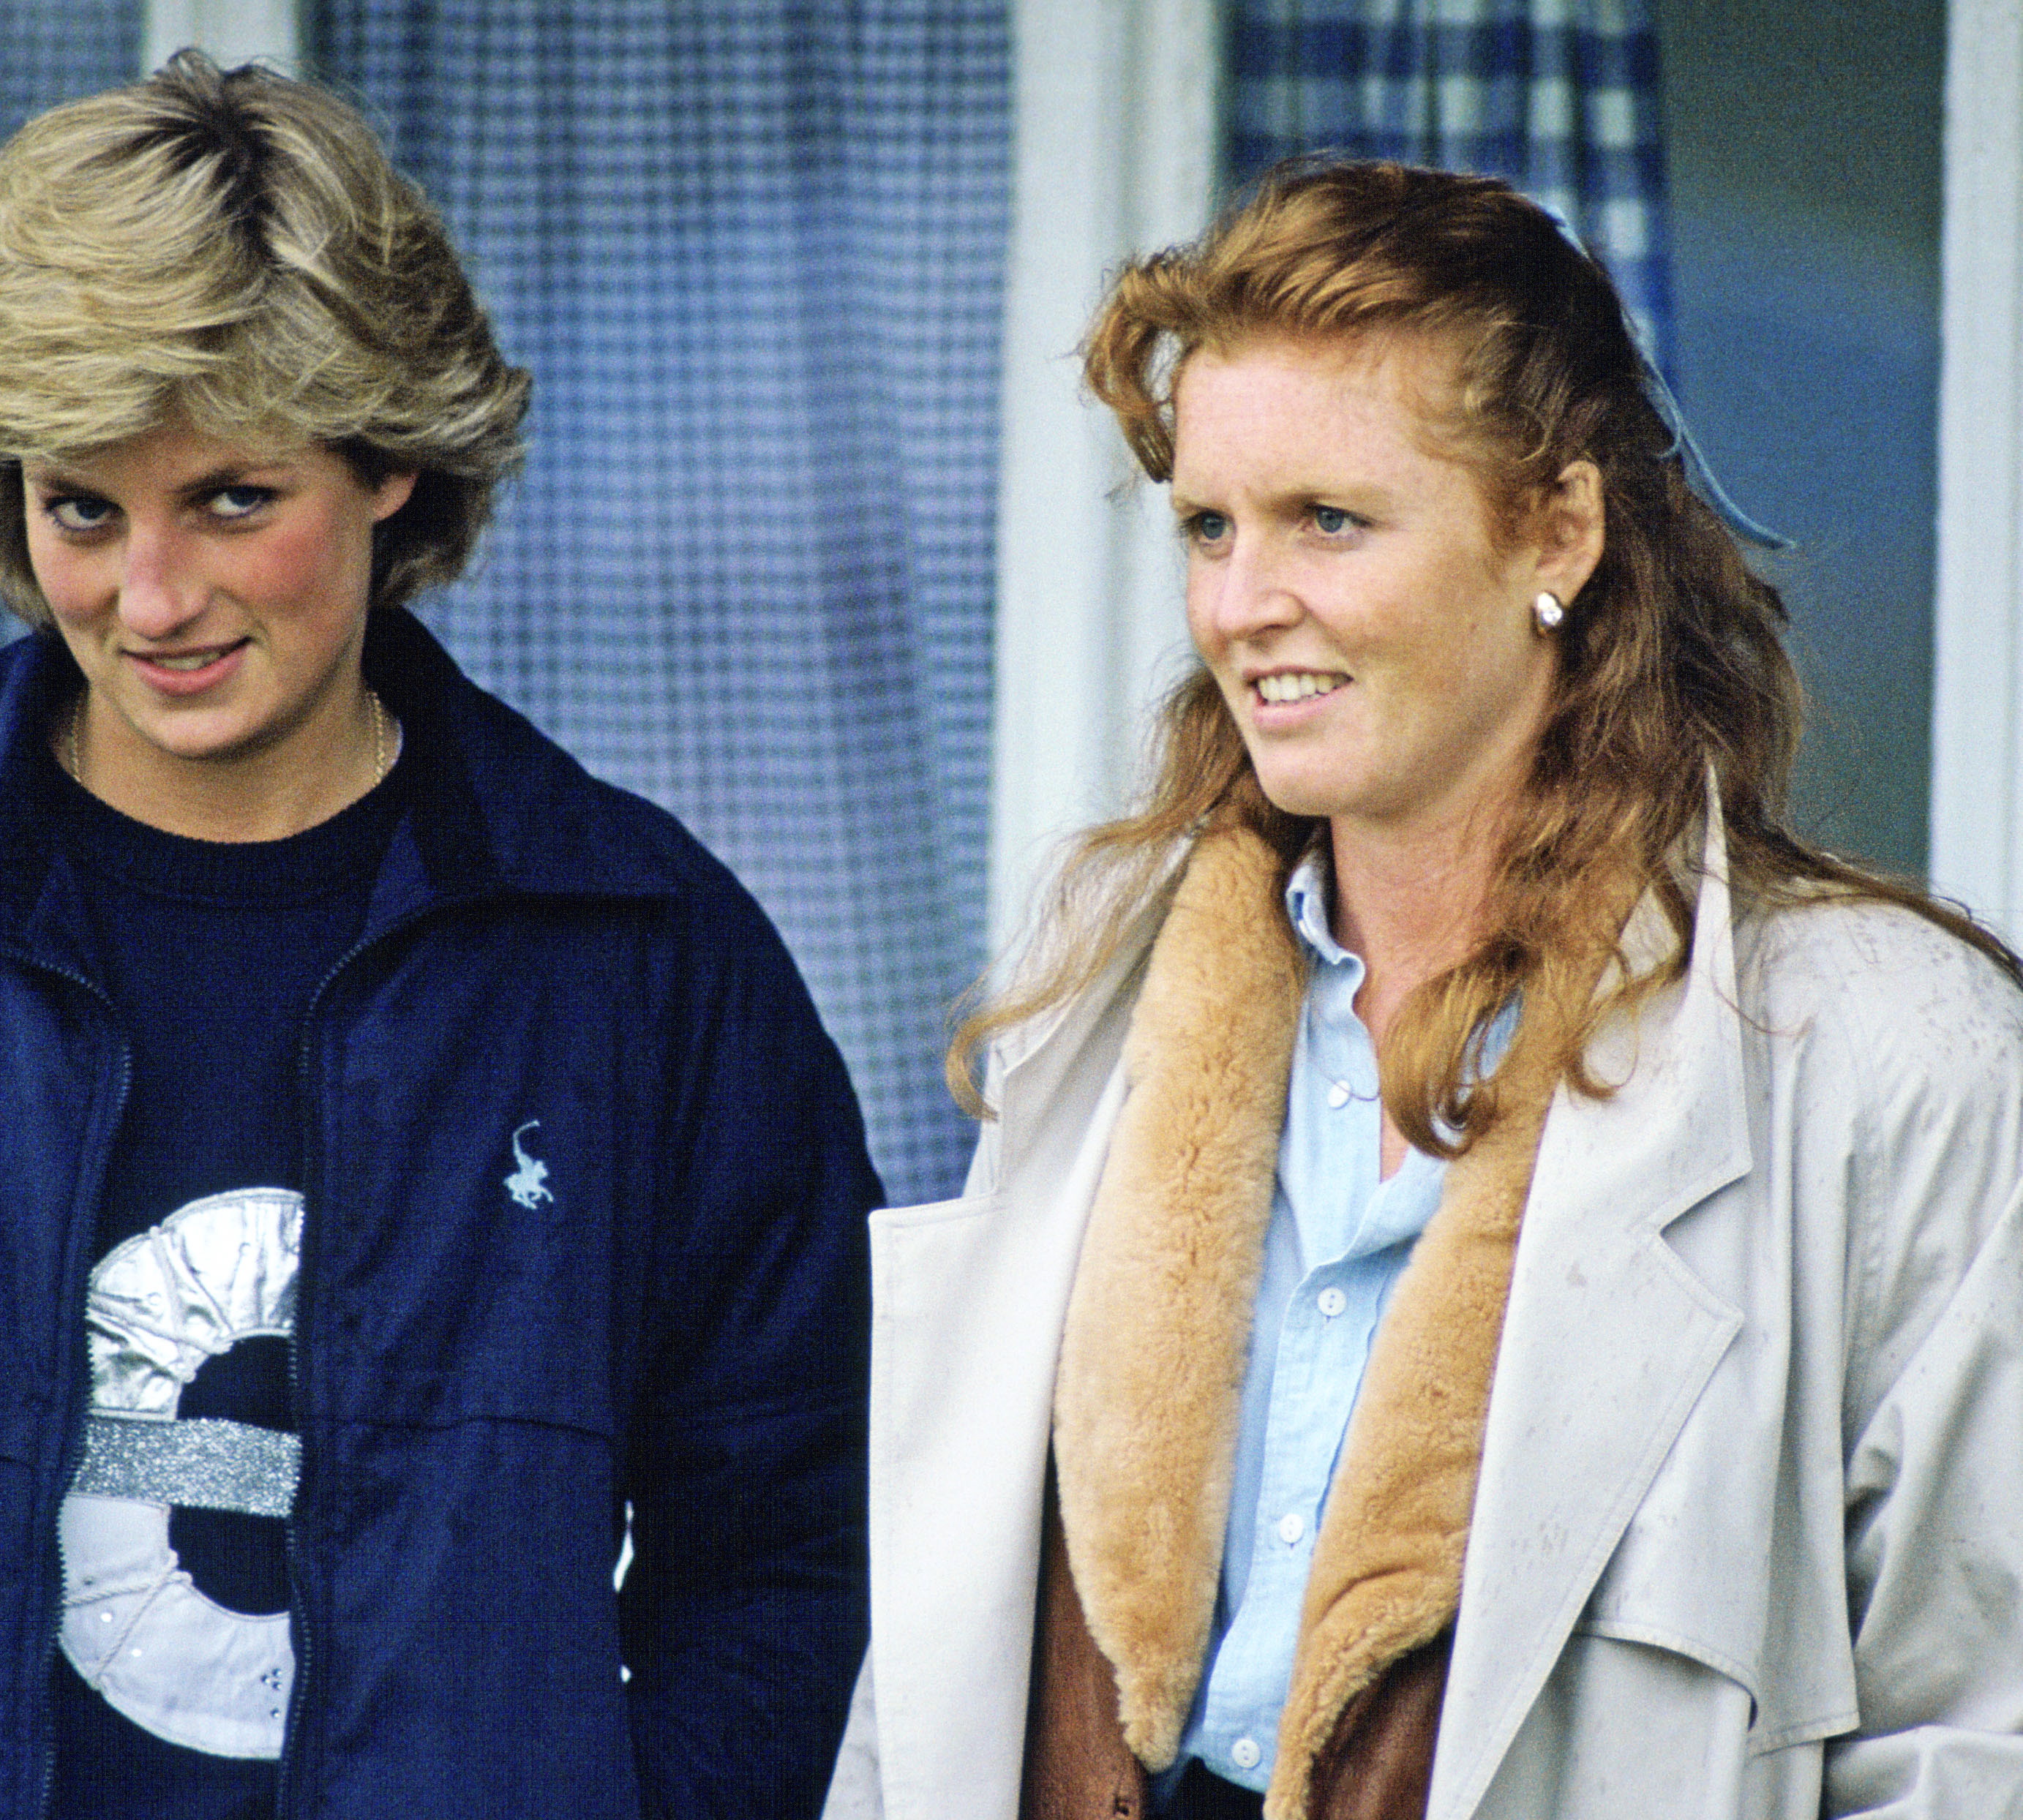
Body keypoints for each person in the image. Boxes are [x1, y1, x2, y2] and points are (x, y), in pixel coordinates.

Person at [0, 53, 874, 1820]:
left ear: (390, 466)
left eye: (233, 500)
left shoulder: (638, 957)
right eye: (82, 507)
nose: (151, 598)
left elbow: (803, 1539)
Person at [825, 160, 2023, 1820]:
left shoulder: (1890, 1049)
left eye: (1329, 518)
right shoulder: (1098, 990)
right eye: (1208, 526)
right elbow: (939, 1671)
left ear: (1557, 528)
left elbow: (1980, 1737)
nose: (1243, 607)